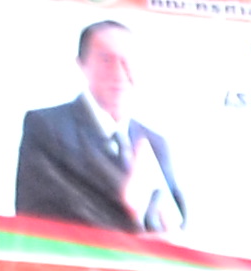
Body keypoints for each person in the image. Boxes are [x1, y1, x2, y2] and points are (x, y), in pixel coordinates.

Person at [13, 20, 189, 236]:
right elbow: (38, 213)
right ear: (82, 64)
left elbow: (175, 224)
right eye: (106, 60)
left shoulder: (155, 143)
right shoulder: (48, 126)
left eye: (127, 60)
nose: (119, 72)